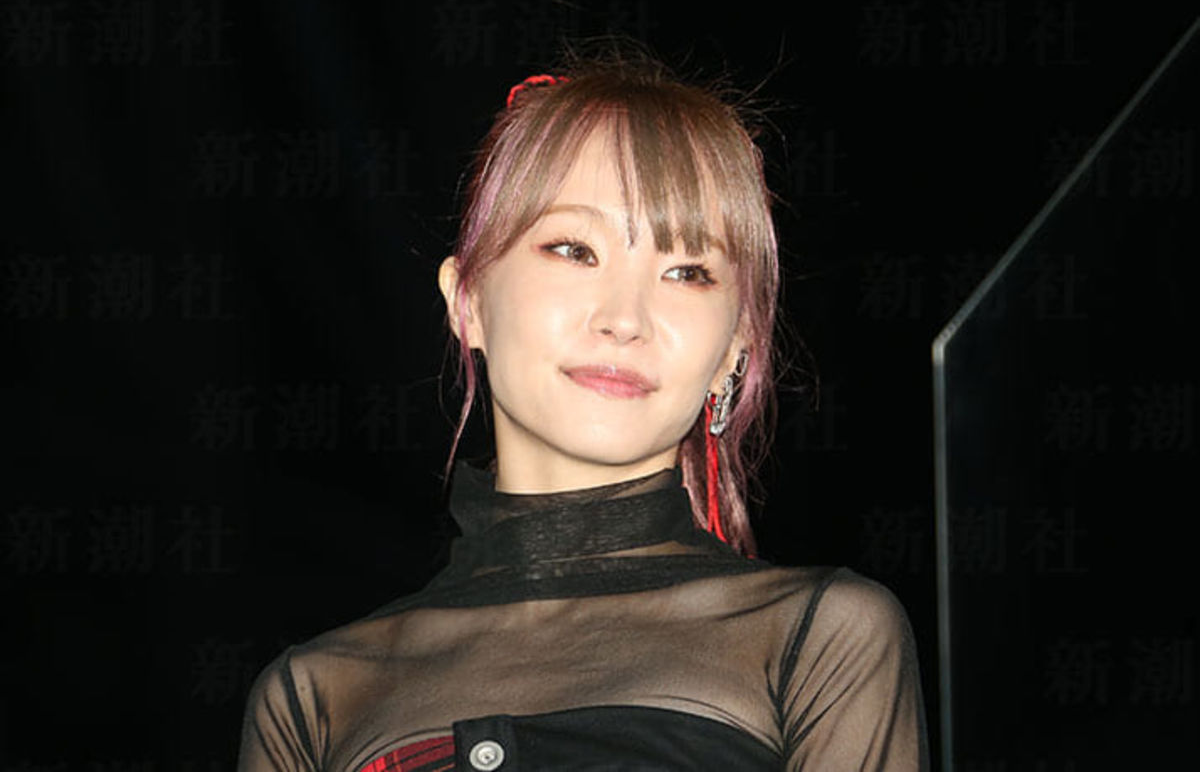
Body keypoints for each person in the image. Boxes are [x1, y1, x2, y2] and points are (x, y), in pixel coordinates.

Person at [238, 47, 929, 771]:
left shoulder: (815, 641)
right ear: (467, 300)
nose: (624, 318)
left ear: (735, 348)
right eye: (573, 250)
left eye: (686, 271)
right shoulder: (315, 699)